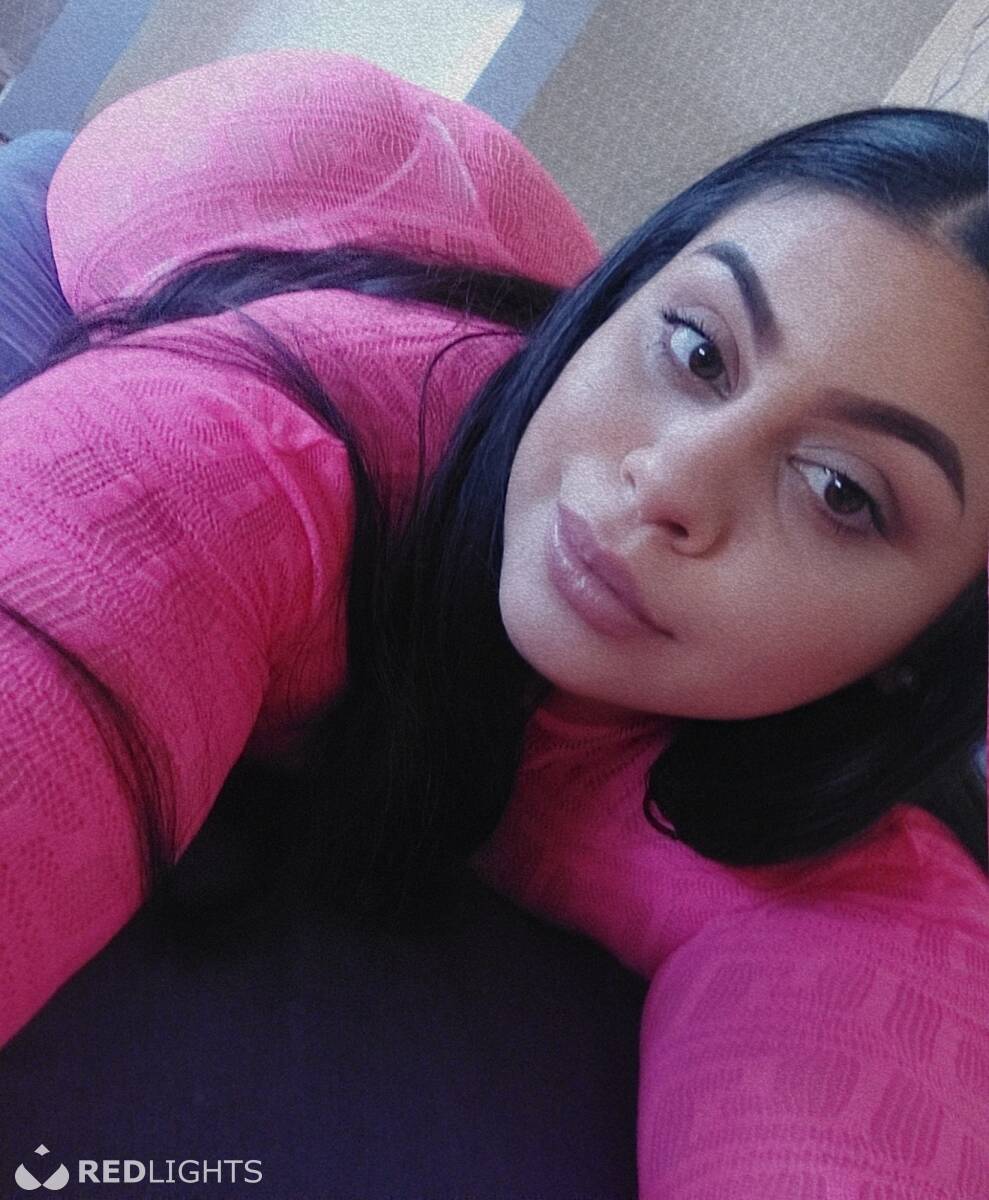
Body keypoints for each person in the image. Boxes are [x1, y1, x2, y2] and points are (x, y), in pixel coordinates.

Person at [0, 49, 985, 1197]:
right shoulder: (238, 455)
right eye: (697, 349)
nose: (667, 481)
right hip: (304, 151)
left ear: (931, 642)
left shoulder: (878, 850)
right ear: (613, 303)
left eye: (839, 494)